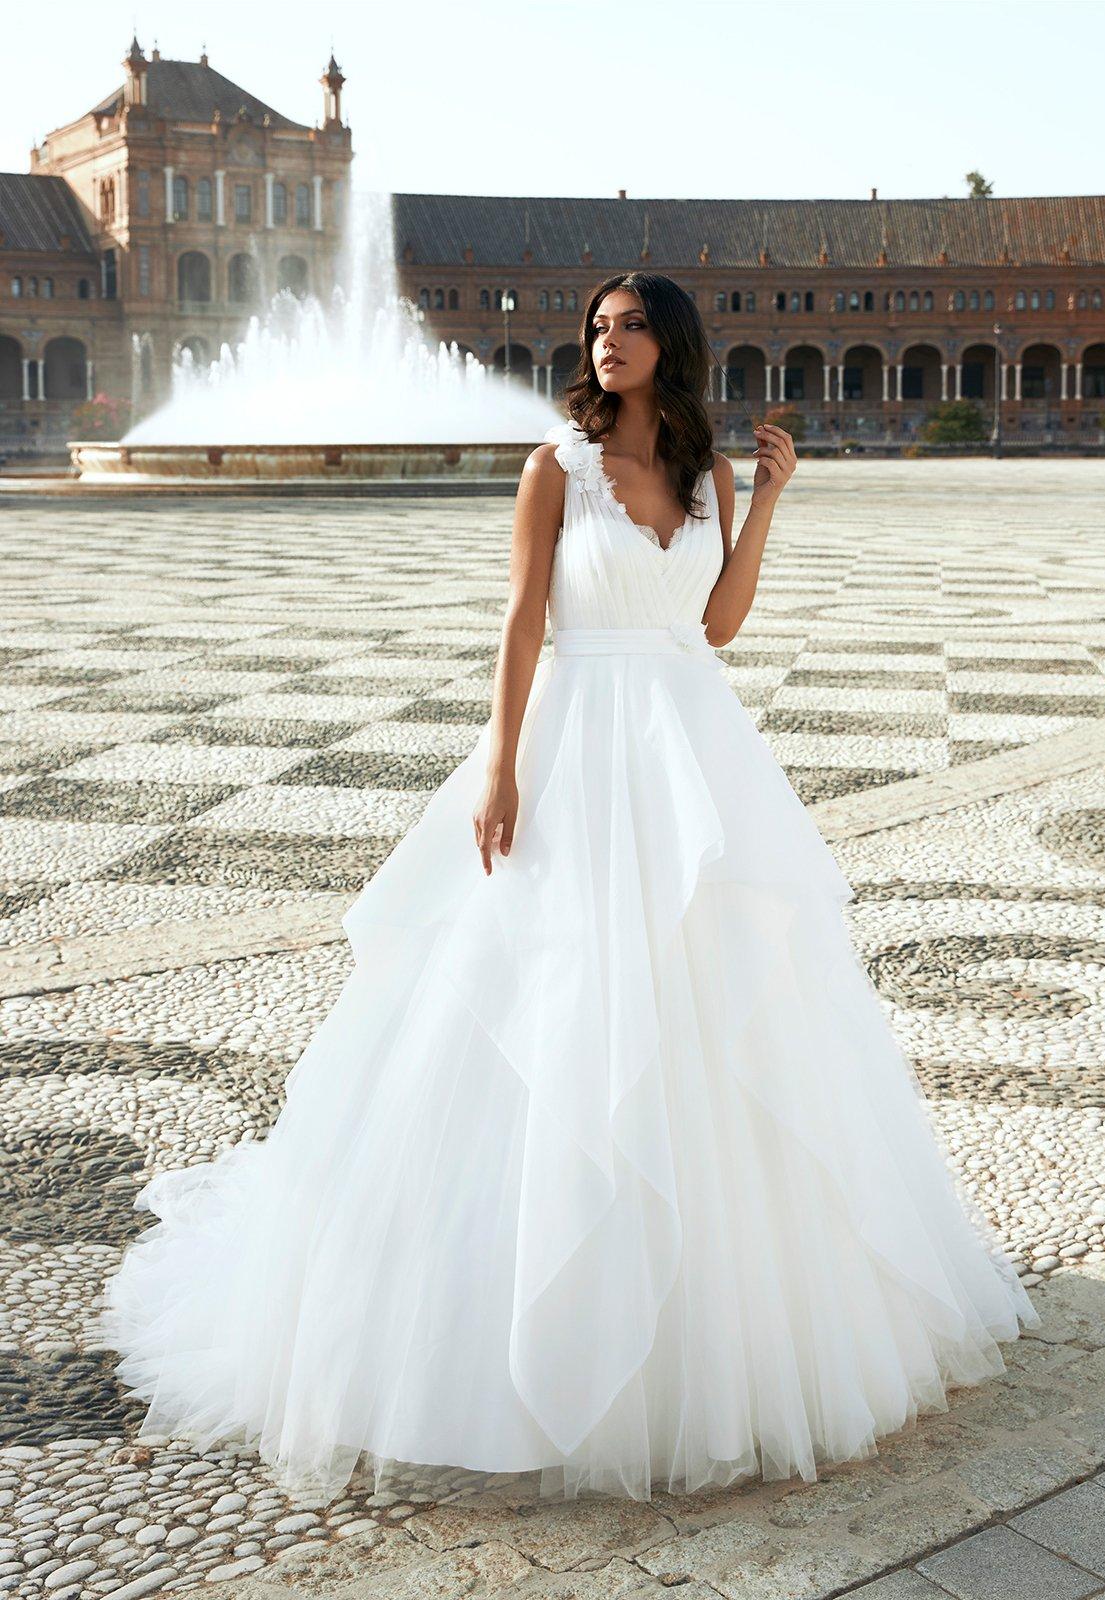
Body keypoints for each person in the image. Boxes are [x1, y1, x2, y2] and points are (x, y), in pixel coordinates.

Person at [95, 271, 1039, 1507]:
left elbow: (721, 626)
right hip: (577, 740)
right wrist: (499, 762)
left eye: (631, 326)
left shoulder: (705, 469)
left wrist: (765, 503)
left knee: (714, 995)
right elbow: (522, 621)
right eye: (598, 327)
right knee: (551, 994)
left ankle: (714, 1310)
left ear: (673, 345)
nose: (608, 343)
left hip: (690, 746)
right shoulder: (557, 467)